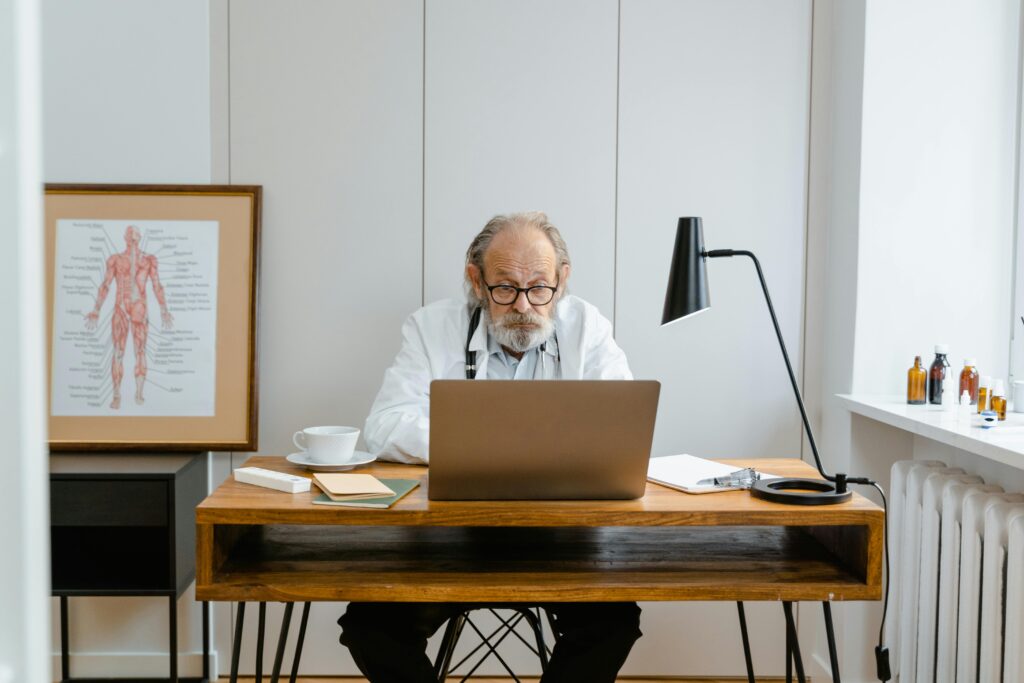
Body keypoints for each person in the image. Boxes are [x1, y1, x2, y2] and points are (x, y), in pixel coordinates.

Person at [338, 212, 641, 682]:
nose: (523, 305)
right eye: (505, 288)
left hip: (562, 535)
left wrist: (491, 446)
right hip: (447, 533)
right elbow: (384, 424)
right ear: (475, 281)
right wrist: (488, 446)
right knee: (370, 626)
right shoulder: (430, 327)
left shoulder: (588, 327)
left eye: (539, 287)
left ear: (562, 281)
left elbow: (623, 426)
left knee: (613, 622)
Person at [85, 224, 173, 409]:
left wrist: (164, 309)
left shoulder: (148, 260)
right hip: (121, 309)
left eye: (136, 235)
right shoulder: (116, 260)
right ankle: (117, 394)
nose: (134, 238)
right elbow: (105, 285)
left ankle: (139, 392)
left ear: (139, 238)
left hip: (139, 309)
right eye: (131, 235)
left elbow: (157, 285)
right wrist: (96, 309)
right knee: (118, 352)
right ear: (125, 238)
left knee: (140, 351)